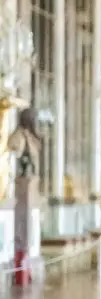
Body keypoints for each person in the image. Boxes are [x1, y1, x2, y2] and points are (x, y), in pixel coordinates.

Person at [8, 107, 40, 287]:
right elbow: (13, 147)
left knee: (28, 228)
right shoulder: (19, 136)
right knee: (22, 229)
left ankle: (27, 267)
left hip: (31, 185)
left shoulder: (31, 137)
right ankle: (21, 268)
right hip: (23, 184)